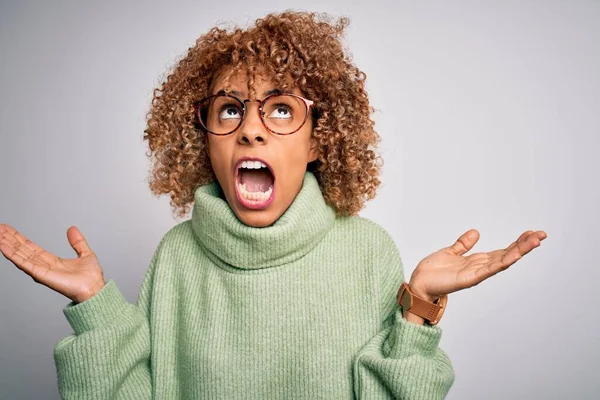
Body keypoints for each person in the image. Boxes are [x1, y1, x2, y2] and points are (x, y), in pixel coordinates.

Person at [0, 10, 547, 399]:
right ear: (204, 138)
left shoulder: (366, 251)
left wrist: (419, 309)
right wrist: (97, 311)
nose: (252, 132)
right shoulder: (177, 256)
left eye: (281, 110)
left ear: (317, 141)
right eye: (230, 110)